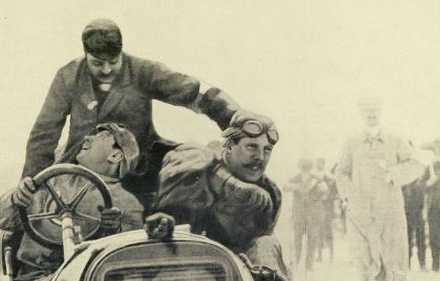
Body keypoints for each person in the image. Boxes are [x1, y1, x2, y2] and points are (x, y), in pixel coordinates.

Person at [21, 18, 270, 204]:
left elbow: (196, 93)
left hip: (138, 171)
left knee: (195, 173)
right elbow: (45, 132)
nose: (107, 70)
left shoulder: (142, 71)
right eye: (97, 63)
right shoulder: (67, 77)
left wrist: (237, 121)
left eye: (113, 62)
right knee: (30, 220)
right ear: (85, 55)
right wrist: (32, 181)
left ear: (121, 53)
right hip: (82, 171)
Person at [153, 110, 301, 281]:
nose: (260, 157)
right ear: (229, 146)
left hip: (240, 278)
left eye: (267, 150)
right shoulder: (197, 168)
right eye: (251, 147)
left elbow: (259, 241)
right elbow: (167, 218)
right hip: (190, 266)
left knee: (267, 243)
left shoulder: (270, 193)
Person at [0, 122, 144, 279]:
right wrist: (16, 198)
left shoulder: (128, 204)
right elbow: (2, 220)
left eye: (101, 137)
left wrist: (115, 229)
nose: (87, 138)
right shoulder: (52, 182)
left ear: (115, 156)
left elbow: (132, 256)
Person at [335, 97, 423, 281]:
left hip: (390, 209)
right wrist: (350, 195)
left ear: (381, 111)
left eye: (375, 109)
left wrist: (394, 173)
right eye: (367, 110)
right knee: (364, 258)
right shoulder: (352, 142)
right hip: (362, 212)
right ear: (361, 113)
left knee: (394, 254)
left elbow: (416, 164)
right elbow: (341, 172)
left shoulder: (396, 139)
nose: (371, 113)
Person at [284, 159, 327, 270]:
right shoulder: (296, 179)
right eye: (304, 167)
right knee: (299, 240)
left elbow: (325, 191)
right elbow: (285, 187)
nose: (305, 169)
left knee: (310, 240)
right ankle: (299, 263)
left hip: (310, 215)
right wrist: (299, 187)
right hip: (300, 214)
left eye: (306, 167)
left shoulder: (316, 180)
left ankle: (306, 264)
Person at [313, 157, 336, 263]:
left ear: (323, 164)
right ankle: (319, 256)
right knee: (318, 232)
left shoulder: (328, 176)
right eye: (318, 163)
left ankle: (331, 256)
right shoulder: (314, 176)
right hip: (318, 208)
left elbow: (333, 188)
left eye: (320, 163)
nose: (319, 165)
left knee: (328, 232)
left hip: (327, 208)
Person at [401, 176, 427, 271]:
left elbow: (424, 200)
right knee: (406, 239)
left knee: (420, 239)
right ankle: (406, 264)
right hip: (406, 214)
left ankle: (422, 263)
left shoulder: (420, 184)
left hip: (418, 214)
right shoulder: (403, 185)